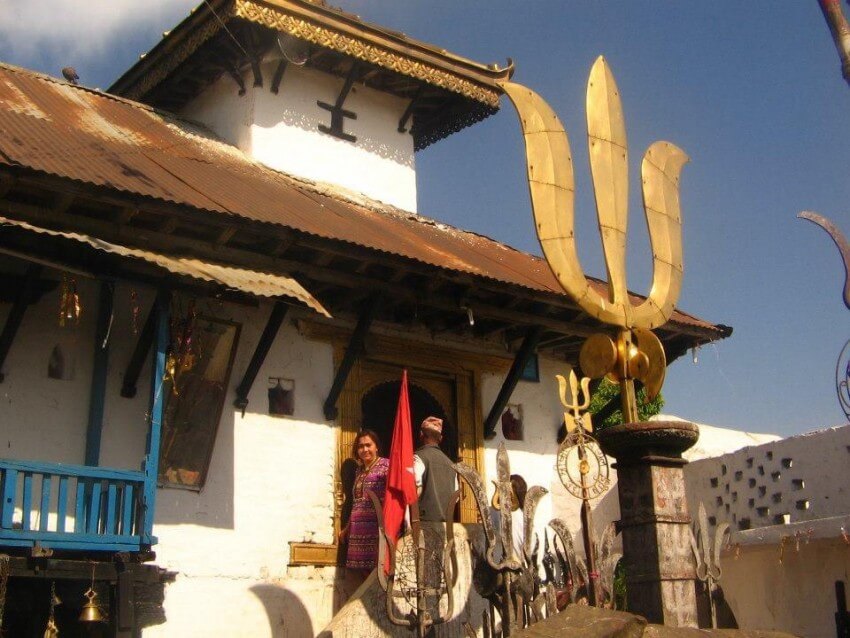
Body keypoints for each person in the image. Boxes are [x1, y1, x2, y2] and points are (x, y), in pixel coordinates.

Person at [338, 429, 389, 573]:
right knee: (360, 574)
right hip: (357, 533)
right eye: (361, 446)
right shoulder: (358, 471)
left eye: (368, 445)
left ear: (376, 447)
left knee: (378, 572)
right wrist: (347, 529)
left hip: (376, 531)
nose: (365, 449)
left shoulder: (387, 466)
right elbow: (357, 503)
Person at [413, 416, 457, 523]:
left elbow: (414, 490)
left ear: (421, 434)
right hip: (446, 526)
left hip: (423, 525)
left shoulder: (418, 457)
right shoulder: (451, 464)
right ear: (440, 438)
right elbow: (455, 498)